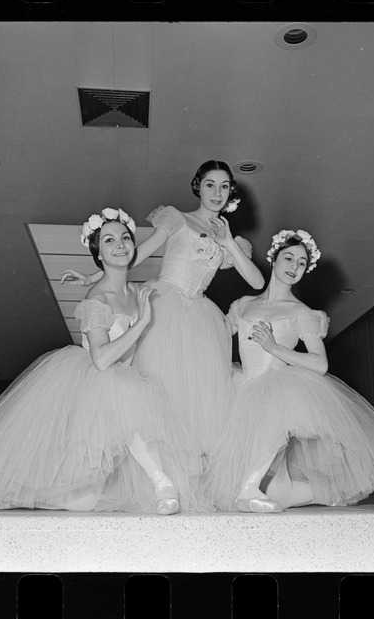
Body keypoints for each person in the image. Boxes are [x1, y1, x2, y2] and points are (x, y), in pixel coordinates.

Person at [0, 208, 205, 514]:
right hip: (97, 385)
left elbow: (129, 270)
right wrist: (141, 323)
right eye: (109, 240)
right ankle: (163, 484)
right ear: (98, 253)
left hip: (123, 382)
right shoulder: (97, 300)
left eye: (125, 238)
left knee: (85, 499)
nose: (120, 245)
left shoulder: (136, 290)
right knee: (128, 402)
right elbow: (101, 360)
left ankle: (10, 498)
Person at [203, 229, 374, 513]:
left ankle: (249, 488)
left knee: (267, 429)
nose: (294, 266)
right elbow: (216, 337)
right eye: (289, 258)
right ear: (273, 259)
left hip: (276, 388)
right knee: (276, 492)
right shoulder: (243, 305)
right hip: (243, 387)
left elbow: (320, 364)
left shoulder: (301, 313)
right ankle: (322, 491)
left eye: (302, 263)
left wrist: (274, 347)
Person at [61, 161, 265, 456]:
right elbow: (136, 254)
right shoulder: (177, 219)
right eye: (210, 184)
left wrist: (228, 242)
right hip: (165, 305)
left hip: (201, 317)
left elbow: (257, 282)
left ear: (231, 191)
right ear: (198, 186)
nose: (217, 192)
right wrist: (94, 276)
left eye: (224, 186)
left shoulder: (232, 240)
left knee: (199, 392)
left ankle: (188, 465)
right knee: (160, 384)